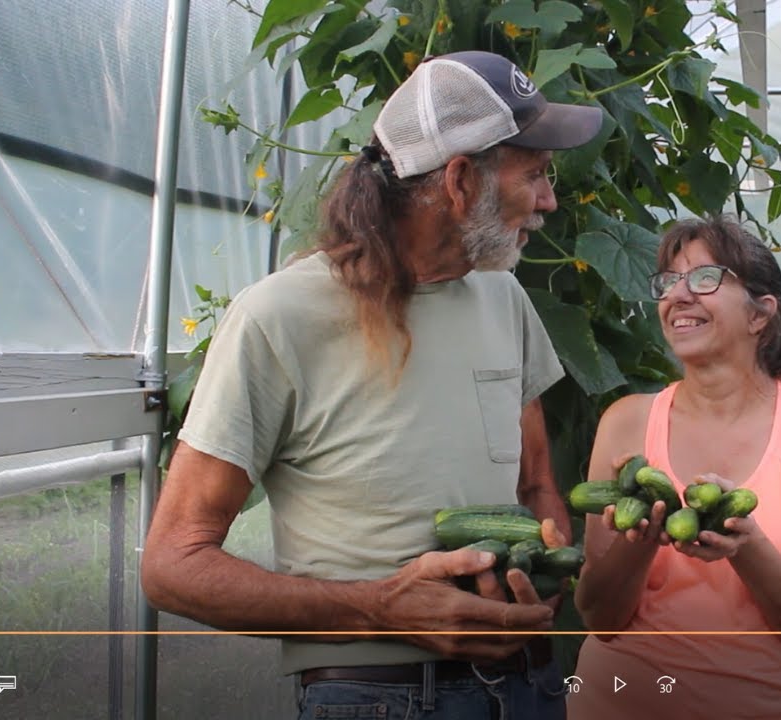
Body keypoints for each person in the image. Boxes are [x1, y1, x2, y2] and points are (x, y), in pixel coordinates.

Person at [141, 50, 603, 719]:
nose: (549, 200)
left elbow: (534, 485)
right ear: (460, 181)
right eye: (534, 174)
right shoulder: (279, 318)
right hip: (380, 698)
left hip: (529, 687)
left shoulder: (505, 300)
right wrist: (380, 608)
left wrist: (546, 549)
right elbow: (172, 565)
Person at [566, 215, 781, 719]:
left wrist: (747, 547)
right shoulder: (625, 422)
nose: (678, 296)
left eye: (704, 279)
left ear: (760, 314)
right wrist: (637, 541)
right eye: (668, 281)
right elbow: (599, 616)